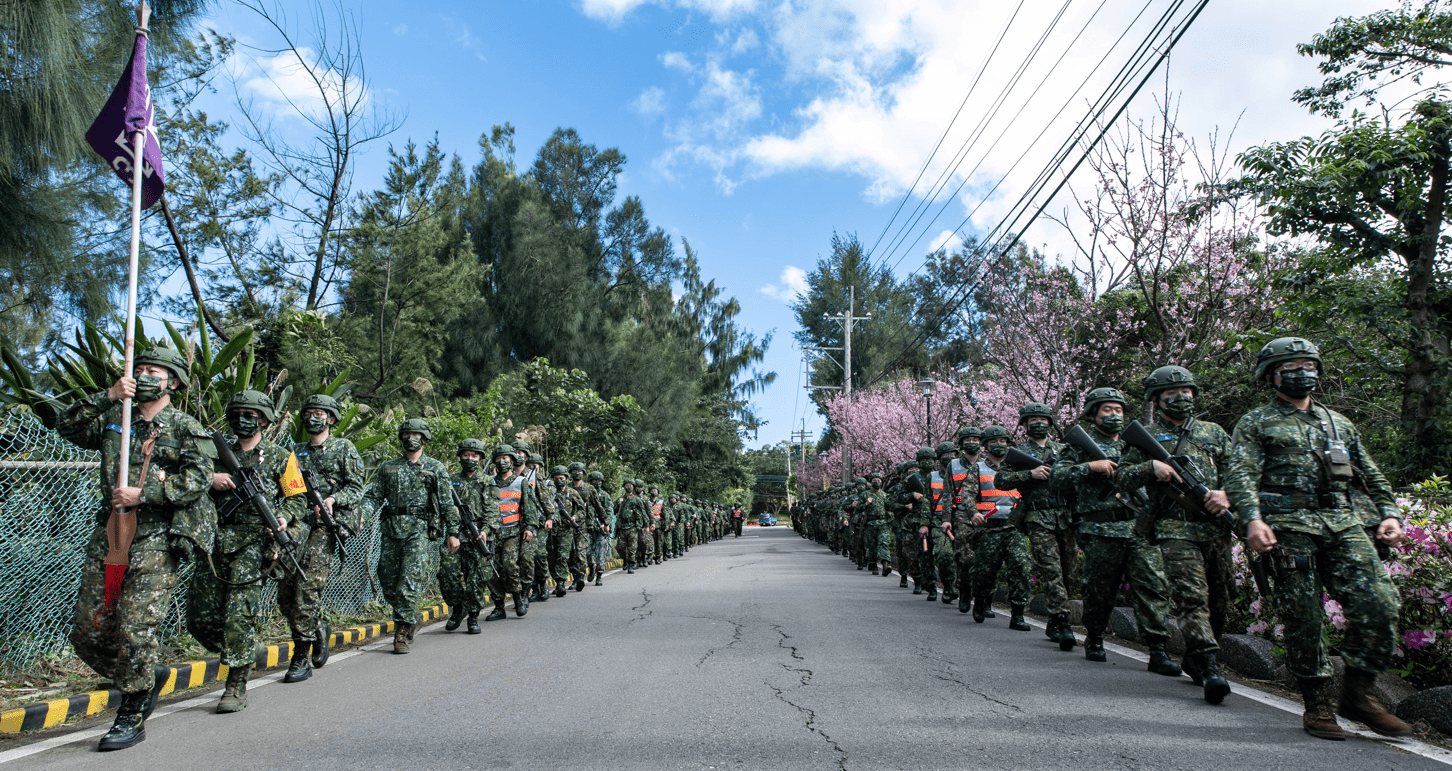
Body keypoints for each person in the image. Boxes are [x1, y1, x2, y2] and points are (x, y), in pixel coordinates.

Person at [1225, 337, 1409, 739]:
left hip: (1343, 523)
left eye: (1308, 364)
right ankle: (1318, 703)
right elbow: (1240, 476)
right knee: (1304, 617)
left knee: (1380, 601)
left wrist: (1390, 513)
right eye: (1291, 367)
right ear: (1271, 376)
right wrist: (1253, 520)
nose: (1302, 372)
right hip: (1287, 528)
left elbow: (1371, 473)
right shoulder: (1256, 422)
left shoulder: (1338, 423)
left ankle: (1359, 694)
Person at [59, 347, 212, 751]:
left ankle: (131, 710)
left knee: (134, 625)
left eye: (153, 371)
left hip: (156, 540)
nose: (144, 376)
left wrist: (146, 493)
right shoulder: (116, 418)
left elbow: (198, 480)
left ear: (172, 382)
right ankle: (147, 676)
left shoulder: (185, 427)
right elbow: (68, 427)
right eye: (138, 369)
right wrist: (108, 395)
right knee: (89, 630)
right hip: (112, 536)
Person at [1115, 366, 1234, 703]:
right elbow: (1122, 478)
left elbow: (1238, 473)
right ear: (1158, 398)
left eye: (1187, 391)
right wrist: (1150, 468)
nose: (1182, 398)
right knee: (1190, 596)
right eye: (1172, 393)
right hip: (1174, 528)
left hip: (1214, 527)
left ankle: (1196, 659)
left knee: (1220, 598)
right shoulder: (1147, 437)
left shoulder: (1213, 433)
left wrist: (1227, 495)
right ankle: (1210, 667)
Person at [188, 390, 306, 712]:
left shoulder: (282, 457)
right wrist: (211, 478)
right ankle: (244, 646)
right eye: (237, 412)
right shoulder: (213, 453)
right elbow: (189, 479)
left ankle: (236, 684)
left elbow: (297, 497)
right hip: (214, 540)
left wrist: (285, 517)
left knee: (239, 613)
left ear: (265, 420)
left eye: (251, 414)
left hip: (254, 543)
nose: (243, 419)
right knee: (199, 618)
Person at [1050, 387, 1181, 677]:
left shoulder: (1139, 444)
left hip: (1139, 527)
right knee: (1099, 589)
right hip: (1101, 529)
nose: (1114, 415)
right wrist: (1089, 467)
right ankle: (1094, 637)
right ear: (1093, 414)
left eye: (1118, 410)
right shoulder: (1079, 447)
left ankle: (1158, 650)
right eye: (1107, 410)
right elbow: (1056, 479)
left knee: (1152, 587)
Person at [281, 393, 365, 681]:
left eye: (320, 412)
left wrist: (332, 499)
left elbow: (356, 488)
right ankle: (318, 630)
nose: (313, 417)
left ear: (330, 418)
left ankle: (300, 658)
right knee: (285, 593)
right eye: (309, 412)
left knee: (307, 590)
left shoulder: (344, 448)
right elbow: (287, 488)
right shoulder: (294, 451)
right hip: (296, 525)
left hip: (324, 527)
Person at [367, 419, 456, 652]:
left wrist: (453, 532)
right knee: (387, 580)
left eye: (415, 433)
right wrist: (360, 516)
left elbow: (447, 503)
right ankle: (409, 618)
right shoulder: (388, 467)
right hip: (391, 529)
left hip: (419, 531)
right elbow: (373, 496)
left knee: (409, 580)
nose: (410, 437)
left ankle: (401, 632)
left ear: (424, 437)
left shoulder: (435, 468)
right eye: (406, 433)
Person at [994, 404, 1076, 649]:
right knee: (1051, 570)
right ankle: (1063, 622)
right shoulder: (1018, 453)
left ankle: (1054, 618)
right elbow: (1001, 479)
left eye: (1043, 419)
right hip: (1038, 518)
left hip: (1066, 517)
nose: (1039, 423)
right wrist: (1030, 474)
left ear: (1050, 423)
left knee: (1069, 572)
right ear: (1024, 424)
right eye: (1033, 420)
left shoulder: (1065, 450)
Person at [969, 426, 1032, 631]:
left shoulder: (1018, 466)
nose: (999, 445)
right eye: (994, 442)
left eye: (1003, 441)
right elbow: (968, 494)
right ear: (985, 446)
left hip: (1014, 528)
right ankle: (980, 598)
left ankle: (1018, 614)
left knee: (1020, 567)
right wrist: (973, 512)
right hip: (989, 529)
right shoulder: (977, 468)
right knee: (984, 572)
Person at [440, 439, 495, 634]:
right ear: (460, 457)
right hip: (455, 535)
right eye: (466, 455)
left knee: (476, 579)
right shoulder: (450, 480)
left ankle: (473, 616)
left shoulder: (488, 481)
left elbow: (492, 510)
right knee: (447, 574)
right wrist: (452, 531)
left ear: (480, 458)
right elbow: (444, 507)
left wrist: (485, 530)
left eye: (474, 455)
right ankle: (458, 608)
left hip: (478, 535)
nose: (470, 459)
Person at [486, 444, 536, 619]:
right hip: (491, 533)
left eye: (505, 459)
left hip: (512, 532)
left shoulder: (520, 482)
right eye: (498, 459)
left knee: (509, 565)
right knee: (490, 570)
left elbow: (529, 507)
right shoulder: (488, 482)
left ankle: (518, 599)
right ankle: (499, 606)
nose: (502, 462)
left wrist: (529, 527)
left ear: (511, 461)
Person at [950, 428, 982, 613]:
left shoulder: (987, 464)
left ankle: (984, 599)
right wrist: (947, 520)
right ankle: (965, 590)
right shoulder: (953, 466)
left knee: (985, 558)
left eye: (976, 439)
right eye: (968, 439)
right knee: (965, 557)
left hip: (986, 516)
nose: (972, 442)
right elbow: (947, 495)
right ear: (961, 443)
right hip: (962, 515)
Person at [927, 442, 961, 603]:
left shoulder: (965, 474)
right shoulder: (932, 477)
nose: (949, 458)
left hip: (961, 519)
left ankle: (965, 590)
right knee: (943, 553)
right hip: (939, 521)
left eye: (952, 455)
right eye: (945, 456)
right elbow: (927, 502)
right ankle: (948, 586)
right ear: (939, 459)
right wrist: (924, 524)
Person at [549, 465, 587, 595]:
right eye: (556, 478)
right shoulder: (548, 493)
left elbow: (582, 509)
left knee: (562, 556)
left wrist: (575, 517)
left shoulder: (572, 493)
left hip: (566, 530)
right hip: (550, 530)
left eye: (561, 478)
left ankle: (561, 583)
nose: (559, 480)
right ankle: (563, 578)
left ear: (566, 478)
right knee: (551, 557)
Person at [585, 471, 613, 584]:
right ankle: (591, 567)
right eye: (595, 481)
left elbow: (609, 512)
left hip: (601, 528)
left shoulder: (605, 496)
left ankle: (599, 575)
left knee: (600, 553)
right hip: (588, 528)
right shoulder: (585, 494)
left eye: (599, 481)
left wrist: (606, 524)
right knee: (586, 552)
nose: (597, 483)